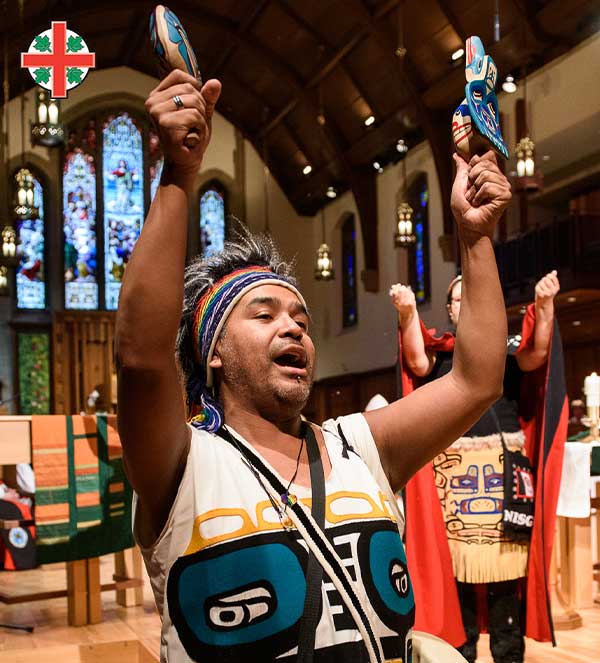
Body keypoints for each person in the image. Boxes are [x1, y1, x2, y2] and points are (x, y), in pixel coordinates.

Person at [115, 69, 511, 662]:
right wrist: (178, 175)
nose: (293, 324)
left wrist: (474, 237)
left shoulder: (361, 448)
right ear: (213, 353)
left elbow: (478, 379)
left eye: (299, 315)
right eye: (264, 313)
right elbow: (141, 357)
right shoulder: (183, 465)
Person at [392, 271, 567, 663]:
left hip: (505, 476)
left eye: (473, 295)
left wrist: (543, 305)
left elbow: (535, 355)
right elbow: (417, 362)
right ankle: (462, 653)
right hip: (455, 481)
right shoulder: (443, 350)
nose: (467, 303)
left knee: (505, 584)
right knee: (460, 584)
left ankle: (509, 654)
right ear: (451, 311)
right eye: (458, 298)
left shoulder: (504, 350)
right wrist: (406, 313)